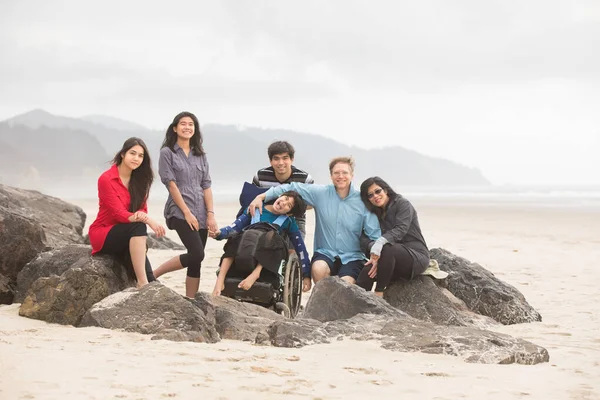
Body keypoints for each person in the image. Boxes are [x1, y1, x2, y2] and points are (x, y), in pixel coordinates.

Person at [248, 156, 381, 292]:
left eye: (345, 173)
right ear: (331, 176)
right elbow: (292, 187)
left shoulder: (363, 201)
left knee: (345, 286)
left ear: (351, 175)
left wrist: (376, 256)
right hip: (325, 252)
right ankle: (323, 304)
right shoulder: (320, 193)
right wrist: (262, 196)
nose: (340, 176)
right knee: (317, 269)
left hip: (353, 256)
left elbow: (374, 233)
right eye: (336, 173)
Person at [153, 111, 219, 298]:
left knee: (196, 260)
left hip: (202, 212)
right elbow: (171, 184)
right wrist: (187, 212)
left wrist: (211, 214)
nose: (187, 127)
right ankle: (153, 275)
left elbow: (206, 186)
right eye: (183, 123)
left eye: (191, 124)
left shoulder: (201, 155)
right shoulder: (167, 153)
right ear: (175, 128)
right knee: (197, 254)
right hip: (179, 212)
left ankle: (191, 299)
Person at [89, 137, 166, 288]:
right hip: (104, 233)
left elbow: (142, 209)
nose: (136, 158)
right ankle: (141, 284)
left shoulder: (141, 181)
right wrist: (149, 221)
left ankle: (146, 282)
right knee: (139, 227)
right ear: (123, 154)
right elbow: (118, 213)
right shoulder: (106, 179)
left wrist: (143, 216)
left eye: (140, 155)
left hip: (128, 236)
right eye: (133, 153)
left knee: (153, 282)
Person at [210, 191, 310, 296]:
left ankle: (255, 274)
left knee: (274, 239)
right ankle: (220, 280)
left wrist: (306, 274)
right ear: (280, 196)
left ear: (289, 213)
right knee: (235, 238)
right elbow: (234, 227)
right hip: (248, 242)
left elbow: (300, 248)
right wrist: (219, 234)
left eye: (288, 205)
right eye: (285, 198)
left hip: (268, 250)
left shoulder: (288, 221)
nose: (284, 203)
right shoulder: (255, 208)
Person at [357, 177, 430, 296]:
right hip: (388, 259)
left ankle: (379, 293)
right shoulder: (374, 213)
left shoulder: (402, 204)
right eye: (370, 195)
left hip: (415, 257)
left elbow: (401, 229)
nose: (375, 196)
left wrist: (380, 243)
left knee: (387, 247)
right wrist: (375, 252)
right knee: (368, 270)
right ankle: (356, 305)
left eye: (377, 191)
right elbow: (363, 238)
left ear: (385, 190)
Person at [251, 141, 314, 237]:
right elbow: (253, 200)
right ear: (270, 161)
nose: (281, 163)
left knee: (293, 251)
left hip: (295, 219)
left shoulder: (304, 179)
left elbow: (312, 203)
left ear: (292, 159)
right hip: (265, 216)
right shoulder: (260, 176)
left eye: (285, 158)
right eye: (276, 159)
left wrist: (290, 209)